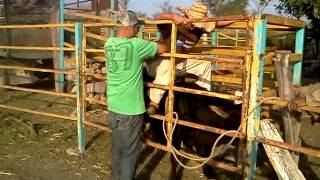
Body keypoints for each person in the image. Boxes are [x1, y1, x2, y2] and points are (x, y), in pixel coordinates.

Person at [104, 10, 168, 180]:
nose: (138, 29)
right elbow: (163, 48)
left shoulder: (109, 43)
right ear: (131, 27)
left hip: (113, 107)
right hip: (130, 110)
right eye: (138, 27)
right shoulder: (137, 45)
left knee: (117, 149)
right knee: (130, 154)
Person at [145, 1, 233, 114]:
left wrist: (243, 18)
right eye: (192, 22)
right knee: (167, 63)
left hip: (178, 63)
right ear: (186, 17)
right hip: (158, 63)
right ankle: (154, 102)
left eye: (197, 24)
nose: (194, 26)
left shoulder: (199, 29)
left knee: (205, 64)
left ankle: (202, 96)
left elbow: (219, 22)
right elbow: (157, 18)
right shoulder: (172, 24)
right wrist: (172, 16)